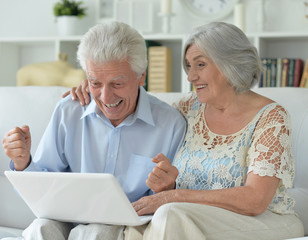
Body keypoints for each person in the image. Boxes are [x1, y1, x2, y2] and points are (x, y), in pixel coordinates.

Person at [70, 22, 305, 239]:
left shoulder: (271, 117)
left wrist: (175, 196)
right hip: (191, 218)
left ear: (229, 63)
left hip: (263, 221)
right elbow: (134, 100)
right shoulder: (187, 108)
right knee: (134, 227)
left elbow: (256, 199)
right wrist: (95, 87)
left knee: (168, 215)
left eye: (200, 65)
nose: (191, 76)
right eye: (189, 66)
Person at [1, 22, 186, 240]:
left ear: (141, 76)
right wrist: (22, 162)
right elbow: (41, 186)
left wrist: (167, 188)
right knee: (40, 229)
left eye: (117, 84)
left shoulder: (171, 124)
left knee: (98, 232)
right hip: (64, 218)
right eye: (95, 82)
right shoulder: (68, 111)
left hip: (122, 228)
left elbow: (172, 202)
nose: (106, 98)